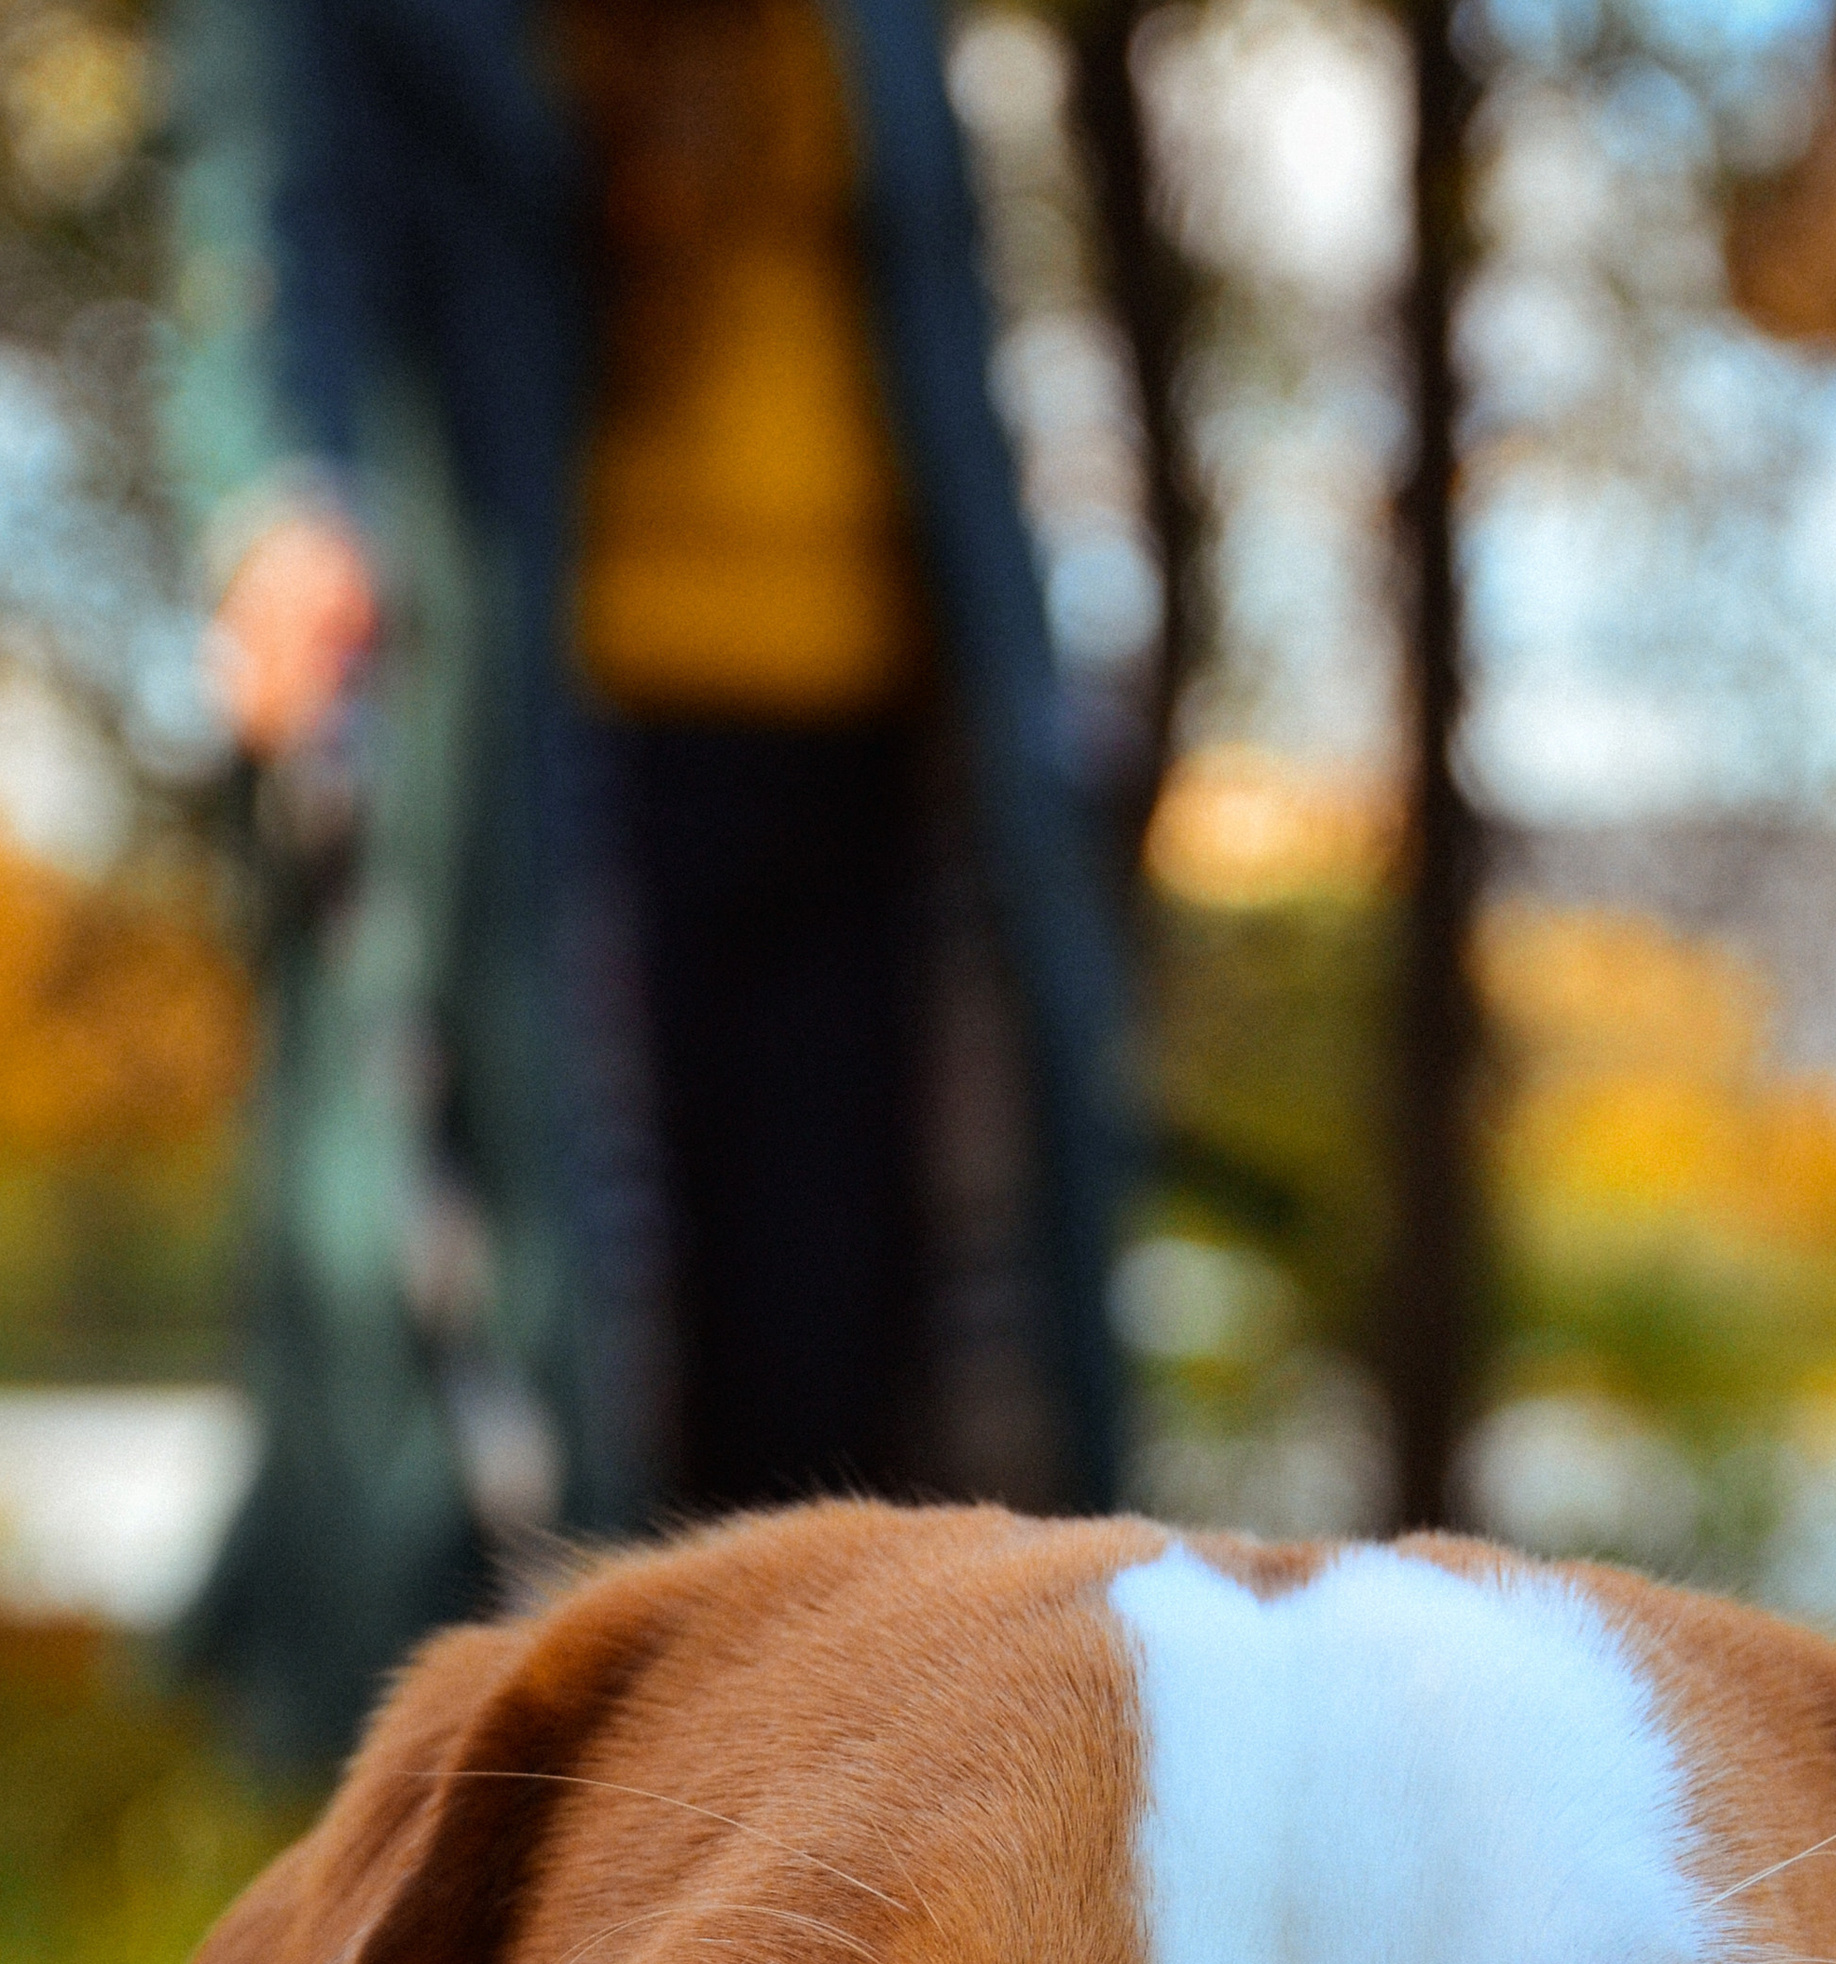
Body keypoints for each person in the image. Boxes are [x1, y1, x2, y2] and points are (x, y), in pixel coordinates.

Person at [165, 0, 1124, 1760]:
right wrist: (280, 505)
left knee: (847, 1385)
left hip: (883, 770)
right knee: (563, 1368)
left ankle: (847, 1860)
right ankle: (496, 1866)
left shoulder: (881, 32)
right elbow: (269, 229)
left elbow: (949, 335)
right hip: (548, 774)